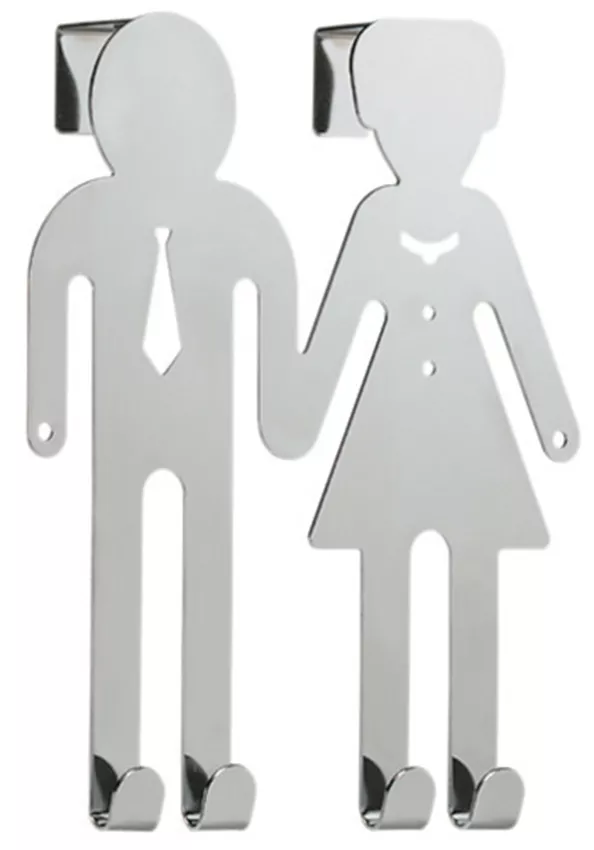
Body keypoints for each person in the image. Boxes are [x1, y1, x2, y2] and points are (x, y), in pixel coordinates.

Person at [259, 19, 578, 829]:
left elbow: (518, 319)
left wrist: (553, 416)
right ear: (378, 124)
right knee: (390, 594)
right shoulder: (374, 221)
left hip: (474, 440)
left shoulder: (483, 219)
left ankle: (476, 769)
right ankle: (388, 773)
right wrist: (300, 413)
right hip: (387, 440)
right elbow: (340, 322)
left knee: (475, 590)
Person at [27, 12, 298, 830]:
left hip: (204, 431)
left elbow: (274, 306)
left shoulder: (245, 220)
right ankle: (118, 767)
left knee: (208, 581)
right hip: (127, 424)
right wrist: (48, 413)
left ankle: (207, 766)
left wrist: (282, 417)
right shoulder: (84, 215)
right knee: (123, 577)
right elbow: (51, 296)